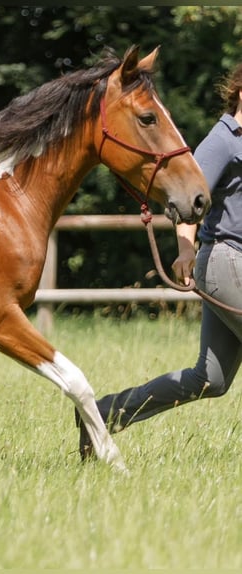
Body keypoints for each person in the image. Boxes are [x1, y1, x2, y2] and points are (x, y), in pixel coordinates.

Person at [77, 62, 242, 459]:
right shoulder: (224, 141)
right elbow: (189, 195)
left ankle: (103, 414)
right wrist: (186, 248)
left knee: (210, 379)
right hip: (225, 260)